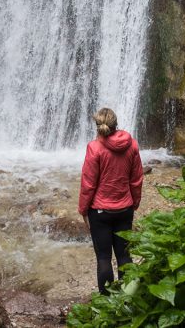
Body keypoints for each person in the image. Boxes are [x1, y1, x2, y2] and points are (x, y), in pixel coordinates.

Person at [77, 107, 144, 294]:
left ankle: (106, 300)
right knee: (124, 255)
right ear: (116, 124)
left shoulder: (95, 148)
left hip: (100, 212)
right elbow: (136, 179)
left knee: (104, 258)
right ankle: (127, 298)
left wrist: (83, 209)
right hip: (125, 209)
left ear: (98, 126)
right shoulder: (132, 145)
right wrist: (134, 202)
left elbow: (88, 183)